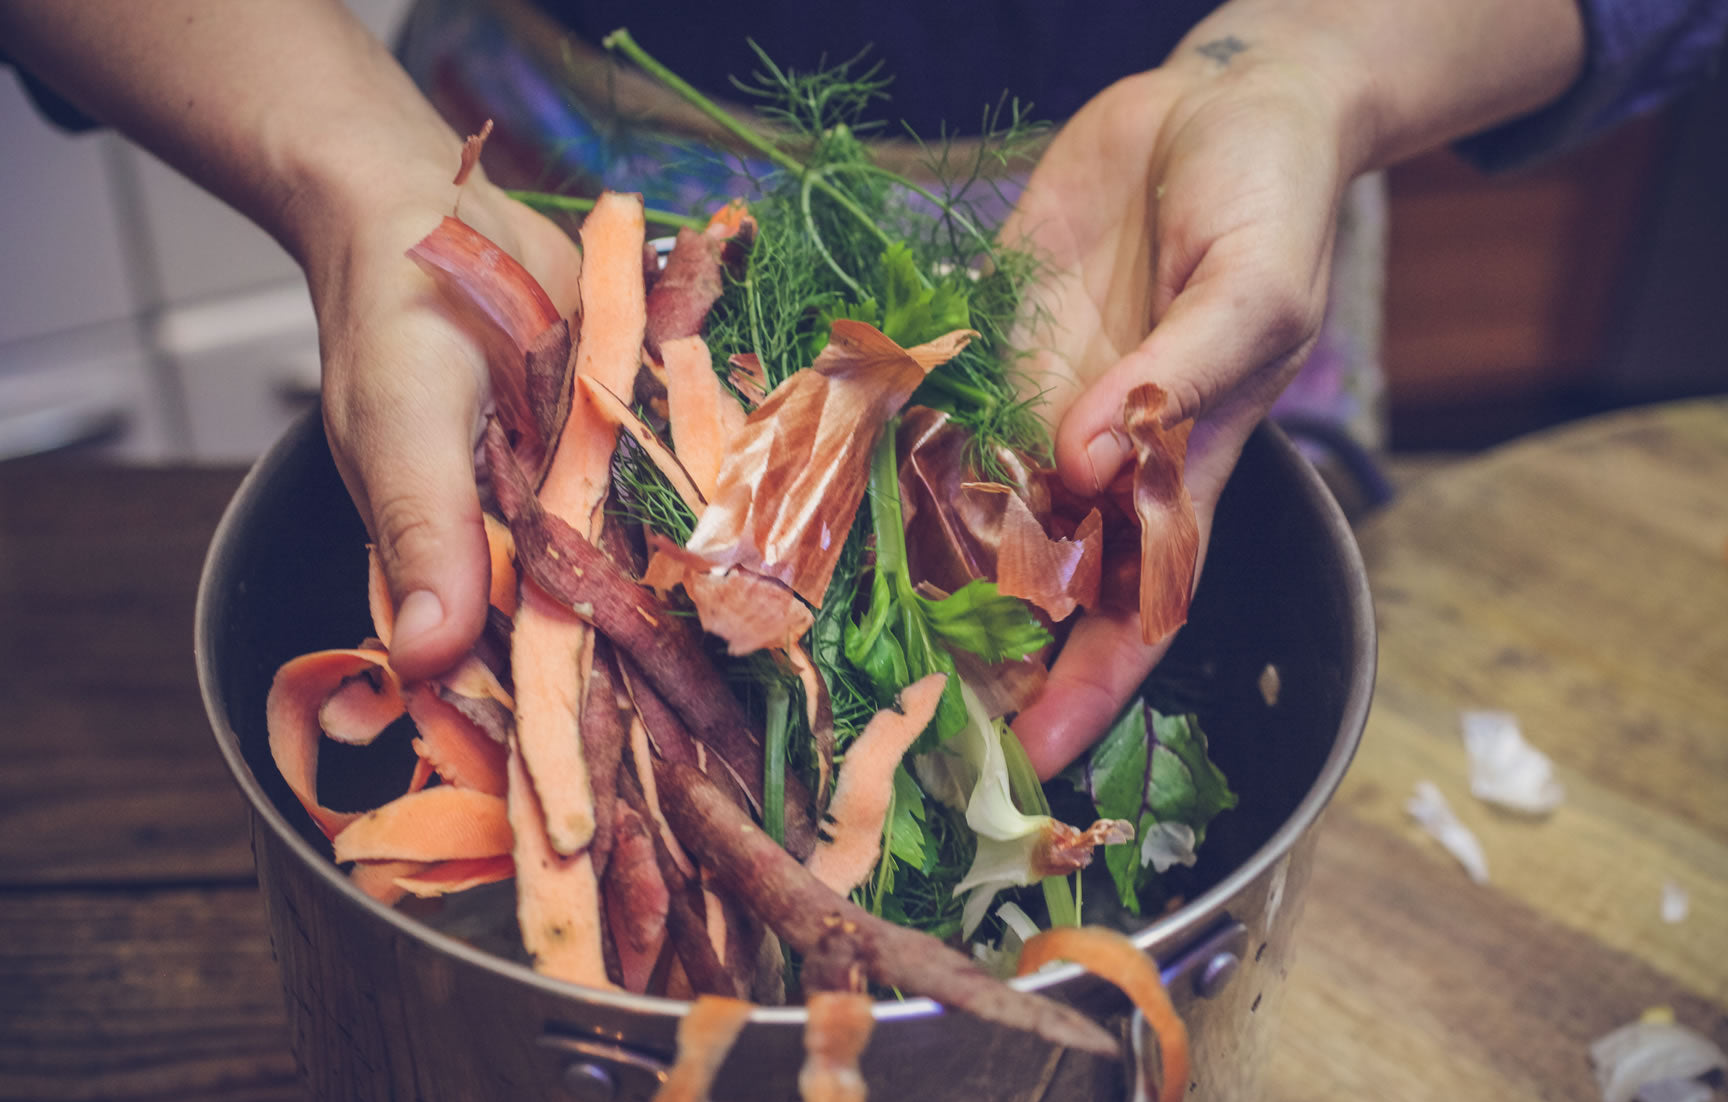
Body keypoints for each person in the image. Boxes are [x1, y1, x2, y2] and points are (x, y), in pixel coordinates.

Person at [3, 0, 1723, 777]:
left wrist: (1320, 66)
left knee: (1108, 729)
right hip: (535, 234)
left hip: (1168, 269)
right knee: (604, 763)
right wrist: (363, 183)